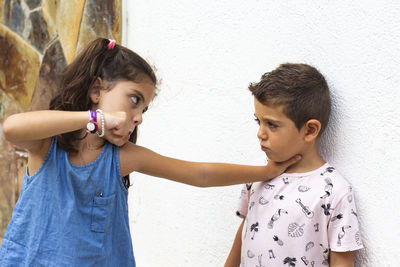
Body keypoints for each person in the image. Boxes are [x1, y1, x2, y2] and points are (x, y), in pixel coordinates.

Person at [0, 38, 300, 266]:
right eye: (133, 99)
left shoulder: (121, 158)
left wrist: (266, 172)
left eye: (143, 108)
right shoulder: (47, 146)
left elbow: (200, 174)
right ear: (96, 90)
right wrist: (93, 119)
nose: (139, 116)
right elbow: (12, 128)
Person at [224, 63, 363, 267]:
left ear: (309, 130)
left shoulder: (334, 191)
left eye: (272, 124)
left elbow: (342, 260)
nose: (260, 133)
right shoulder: (257, 173)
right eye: (258, 122)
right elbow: (246, 231)